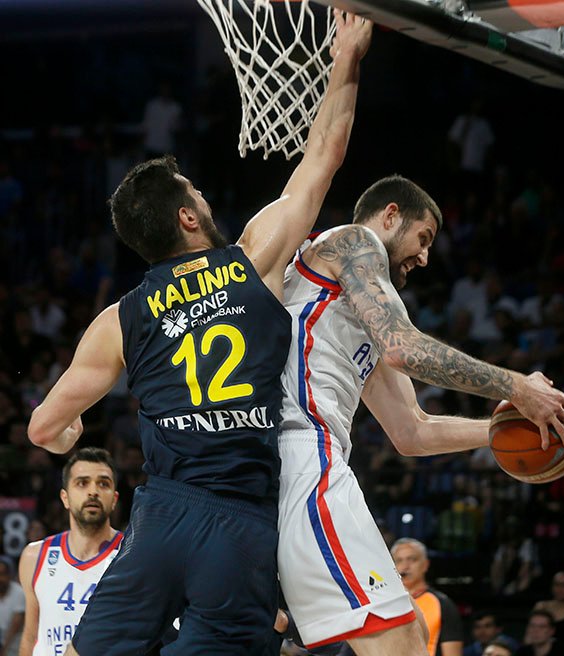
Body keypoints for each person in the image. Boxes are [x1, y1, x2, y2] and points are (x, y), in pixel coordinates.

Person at [27, 12, 373, 656]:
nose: (207, 199)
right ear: (188, 215)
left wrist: (72, 433)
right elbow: (324, 153)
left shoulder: (119, 319)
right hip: (240, 524)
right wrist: (347, 57)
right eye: (198, 193)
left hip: (161, 518)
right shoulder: (253, 259)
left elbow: (44, 430)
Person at [276, 174, 564, 654]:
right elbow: (405, 348)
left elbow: (413, 431)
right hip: (303, 451)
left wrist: (505, 429)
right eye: (422, 237)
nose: (425, 256)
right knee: (402, 638)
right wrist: (518, 387)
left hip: (279, 460)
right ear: (389, 215)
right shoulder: (354, 240)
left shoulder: (351, 312)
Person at [18, 448, 121, 656]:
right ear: (64, 497)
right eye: (82, 483)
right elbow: (30, 638)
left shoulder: (133, 555)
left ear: (114, 499)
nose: (93, 491)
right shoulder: (35, 556)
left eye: (103, 484)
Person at [391, 538, 463, 656]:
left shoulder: (442, 604)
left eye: (412, 559)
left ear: (425, 565)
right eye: (399, 561)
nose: (405, 566)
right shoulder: (385, 605)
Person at [0, 556, 25, 656]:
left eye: (2, 574)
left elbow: (16, 624)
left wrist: (3, 650)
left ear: (10, 575)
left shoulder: (19, 592)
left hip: (13, 645)